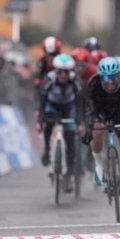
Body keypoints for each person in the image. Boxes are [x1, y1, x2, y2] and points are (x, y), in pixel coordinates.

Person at [84, 57, 120, 205]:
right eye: (106, 78)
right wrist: (90, 126)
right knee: (97, 133)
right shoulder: (93, 84)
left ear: (119, 76)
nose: (110, 82)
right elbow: (90, 108)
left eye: (113, 77)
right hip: (100, 110)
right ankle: (99, 165)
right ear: (101, 77)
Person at [36, 53, 83, 192]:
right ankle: (47, 150)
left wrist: (80, 122)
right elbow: (42, 100)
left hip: (69, 108)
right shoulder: (49, 79)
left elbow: (80, 102)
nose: (63, 75)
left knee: (70, 142)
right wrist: (40, 121)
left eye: (66, 72)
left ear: (71, 71)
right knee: (48, 125)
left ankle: (68, 175)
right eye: (60, 72)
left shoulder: (75, 80)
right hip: (52, 106)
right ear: (56, 71)